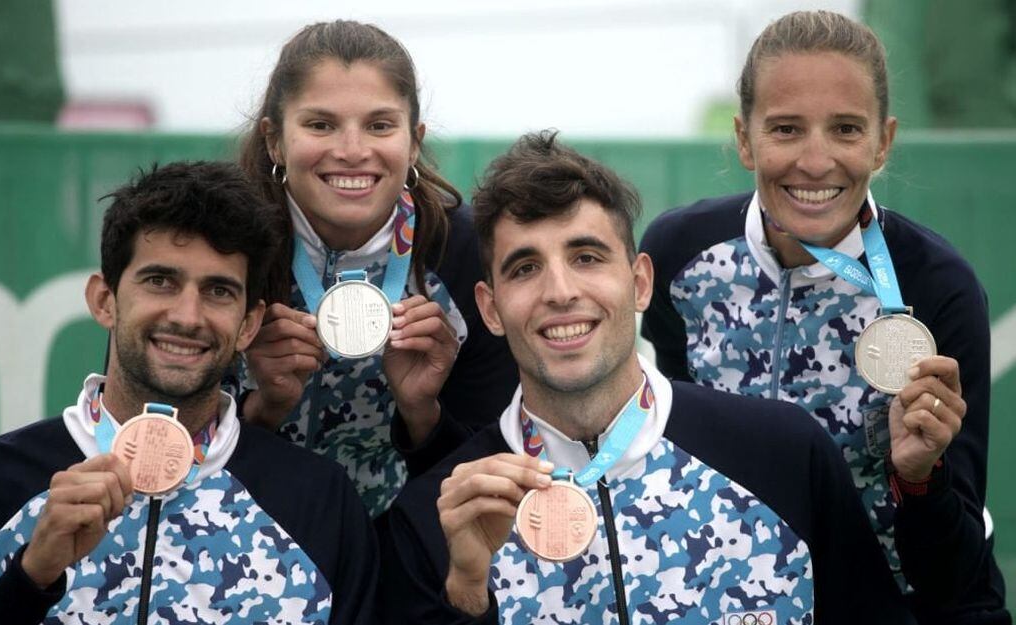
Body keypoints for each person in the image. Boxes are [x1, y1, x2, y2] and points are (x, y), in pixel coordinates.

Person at [378, 131, 913, 624]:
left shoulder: (783, 453)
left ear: (639, 284)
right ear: (491, 309)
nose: (560, 292)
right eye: (525, 268)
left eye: (587, 257)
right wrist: (468, 591)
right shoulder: (438, 516)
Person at [639, 10, 1009, 624]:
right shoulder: (681, 256)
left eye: (845, 129)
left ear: (883, 141)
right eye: (786, 129)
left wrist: (919, 478)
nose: (815, 162)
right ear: (744, 137)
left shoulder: (939, 287)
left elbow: (956, 575)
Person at [0, 162, 375, 625]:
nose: (188, 316)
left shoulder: (319, 501)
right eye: (160, 281)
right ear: (104, 300)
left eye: (218, 290)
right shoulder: (5, 477)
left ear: (248, 324)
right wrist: (31, 579)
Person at [232, 20, 517, 516]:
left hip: (405, 555)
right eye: (320, 125)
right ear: (274, 140)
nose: (352, 150)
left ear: (413, 142)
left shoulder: (468, 252)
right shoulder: (223, 244)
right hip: (247, 554)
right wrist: (260, 411)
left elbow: (494, 465)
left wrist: (423, 414)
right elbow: (159, 445)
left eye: (380, 125)